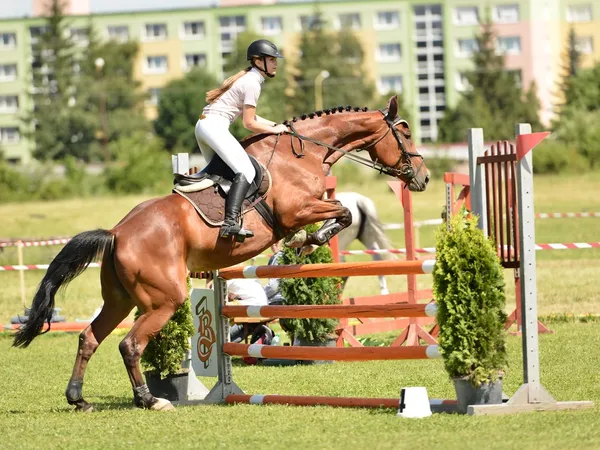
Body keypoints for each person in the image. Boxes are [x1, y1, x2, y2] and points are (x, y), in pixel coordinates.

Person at [195, 39, 289, 241]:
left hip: (204, 126)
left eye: (275, 60)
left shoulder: (249, 78)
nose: (275, 64)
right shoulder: (252, 83)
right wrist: (275, 130)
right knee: (246, 171)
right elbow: (249, 124)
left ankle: (213, 216)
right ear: (258, 61)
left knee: (220, 173)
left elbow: (253, 118)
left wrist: (276, 125)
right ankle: (230, 223)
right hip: (214, 127)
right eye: (271, 60)